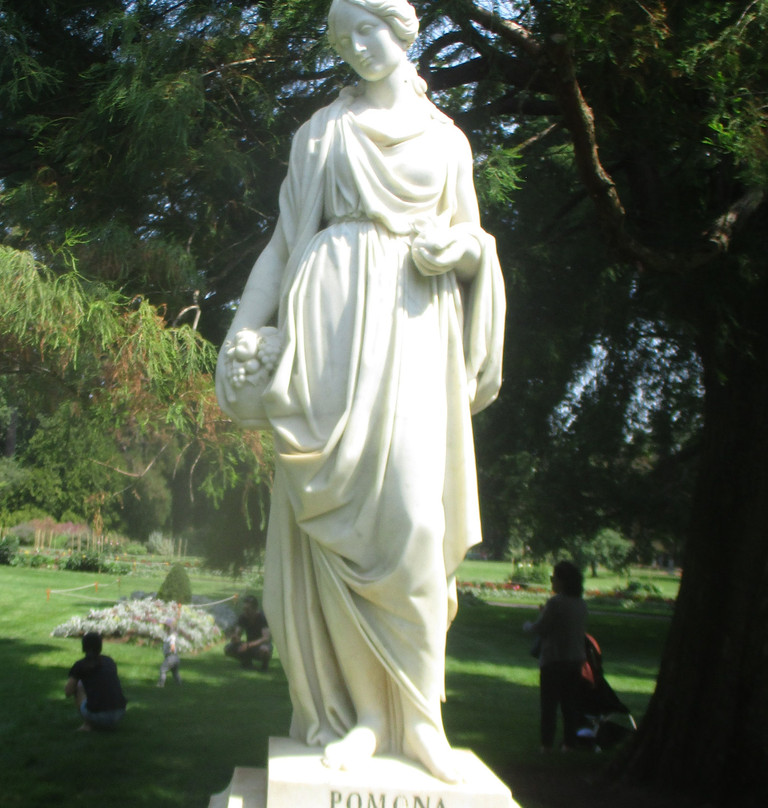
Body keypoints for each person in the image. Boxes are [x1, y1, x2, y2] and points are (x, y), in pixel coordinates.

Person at [214, 0, 504, 782]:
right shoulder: (321, 133)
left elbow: (476, 240)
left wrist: (467, 252)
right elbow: (282, 242)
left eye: (367, 29)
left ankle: (421, 718)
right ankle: (369, 721)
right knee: (332, 526)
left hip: (413, 328)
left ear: (403, 29)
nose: (356, 47)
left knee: (412, 519)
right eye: (342, 39)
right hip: (328, 332)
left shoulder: (448, 142)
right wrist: (242, 331)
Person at [523, 561, 588, 752]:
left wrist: (527, 626)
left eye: (554, 577)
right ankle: (569, 742)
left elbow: (541, 628)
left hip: (554, 659)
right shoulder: (581, 604)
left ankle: (546, 744)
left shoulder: (556, 603)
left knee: (549, 705)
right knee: (569, 705)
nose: (552, 580)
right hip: (575, 659)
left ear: (562, 581)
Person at [65, 632, 128, 731]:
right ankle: (102, 721)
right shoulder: (109, 661)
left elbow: (68, 691)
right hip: (120, 712)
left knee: (78, 685)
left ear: (84, 647)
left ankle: (88, 724)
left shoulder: (80, 665)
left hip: (99, 715)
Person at [224, 595, 273, 671]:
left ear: (255, 609)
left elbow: (266, 638)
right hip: (249, 644)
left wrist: (248, 645)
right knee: (228, 649)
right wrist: (234, 637)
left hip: (261, 644)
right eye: (244, 609)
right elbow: (238, 634)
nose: (245, 612)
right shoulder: (243, 617)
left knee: (264, 650)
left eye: (248, 609)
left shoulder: (262, 617)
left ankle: (264, 665)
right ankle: (246, 662)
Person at [157, 618, 182, 687]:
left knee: (163, 670)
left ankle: (160, 684)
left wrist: (172, 648)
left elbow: (172, 644)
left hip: (170, 657)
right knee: (175, 672)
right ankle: (179, 685)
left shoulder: (172, 637)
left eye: (166, 627)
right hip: (176, 657)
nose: (164, 628)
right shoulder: (171, 636)